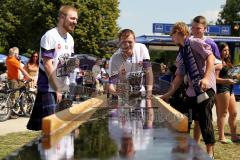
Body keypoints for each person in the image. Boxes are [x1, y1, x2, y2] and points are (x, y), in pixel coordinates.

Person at [161, 22, 216, 158]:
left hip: (205, 89)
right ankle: (184, 150)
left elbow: (211, 57)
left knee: (205, 119)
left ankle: (209, 153)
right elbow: (179, 77)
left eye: (172, 35)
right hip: (191, 92)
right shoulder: (181, 54)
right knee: (185, 120)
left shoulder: (194, 42)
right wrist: (167, 95)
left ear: (179, 32)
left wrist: (207, 78)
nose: (171, 38)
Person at [27, 5, 78, 130]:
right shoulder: (50, 36)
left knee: (54, 128)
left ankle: (41, 148)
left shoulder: (70, 39)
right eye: (72, 18)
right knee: (53, 128)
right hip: (49, 87)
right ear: (61, 17)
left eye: (76, 19)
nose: (75, 22)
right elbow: (48, 65)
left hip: (62, 87)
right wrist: (57, 88)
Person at [191, 15, 222, 144]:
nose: (195, 31)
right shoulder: (189, 41)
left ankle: (209, 151)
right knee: (196, 120)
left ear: (205, 29)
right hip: (193, 88)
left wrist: (207, 74)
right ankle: (195, 146)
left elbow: (219, 64)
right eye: (192, 28)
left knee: (205, 118)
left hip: (207, 87)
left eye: (198, 28)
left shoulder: (210, 42)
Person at [108, 29, 153, 99]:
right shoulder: (114, 58)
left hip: (140, 92)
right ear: (119, 43)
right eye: (123, 42)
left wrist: (149, 92)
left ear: (135, 41)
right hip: (122, 93)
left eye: (130, 42)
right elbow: (112, 84)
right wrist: (116, 94)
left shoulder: (142, 48)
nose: (127, 45)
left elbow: (149, 72)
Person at [215, 43, 239, 143]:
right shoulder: (218, 62)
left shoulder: (228, 62)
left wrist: (236, 77)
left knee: (234, 113)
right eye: (224, 50)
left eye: (228, 50)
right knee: (223, 113)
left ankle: (234, 136)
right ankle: (221, 137)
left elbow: (230, 76)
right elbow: (215, 79)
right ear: (219, 51)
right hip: (222, 89)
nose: (227, 52)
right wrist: (227, 81)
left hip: (230, 88)